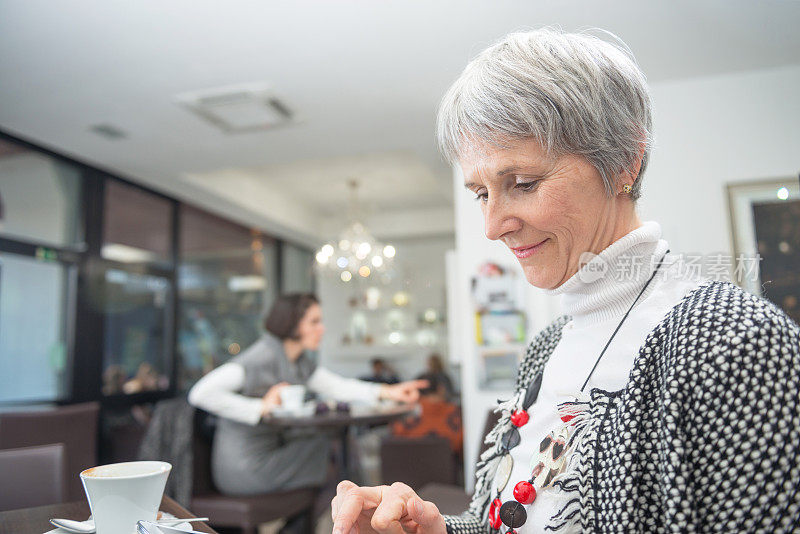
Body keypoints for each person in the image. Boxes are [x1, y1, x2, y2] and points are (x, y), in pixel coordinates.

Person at [331, 28, 800, 534]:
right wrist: (438, 529)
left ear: (624, 162)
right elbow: (516, 517)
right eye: (481, 193)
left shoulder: (735, 341)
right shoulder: (546, 347)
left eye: (523, 184)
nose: (493, 226)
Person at [188, 293, 426, 496]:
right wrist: (260, 407)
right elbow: (200, 393)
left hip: (273, 453)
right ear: (293, 324)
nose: (321, 329)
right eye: (314, 322)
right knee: (332, 455)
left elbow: (337, 386)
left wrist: (389, 391)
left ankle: (338, 515)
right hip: (245, 467)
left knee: (332, 450)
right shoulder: (261, 358)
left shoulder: (299, 362)